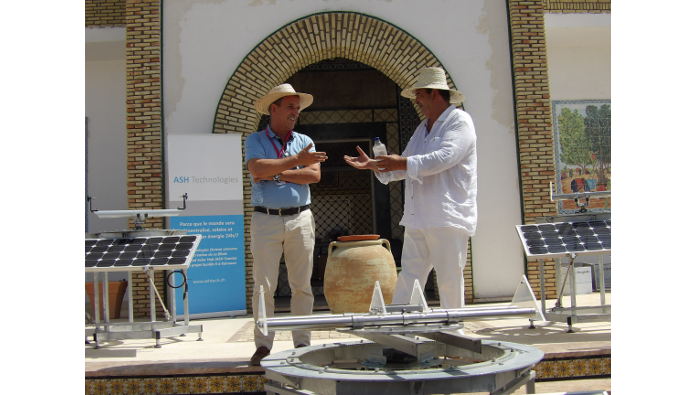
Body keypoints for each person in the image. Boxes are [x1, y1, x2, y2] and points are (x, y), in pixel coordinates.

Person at [344, 67, 477, 310]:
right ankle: (401, 333)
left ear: (435, 94)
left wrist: (399, 162)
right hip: (418, 217)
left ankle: (455, 335)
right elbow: (404, 165)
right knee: (409, 277)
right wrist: (375, 165)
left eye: (419, 95)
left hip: (447, 217)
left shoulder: (460, 122)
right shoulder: (422, 128)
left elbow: (443, 158)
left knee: (449, 280)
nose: (416, 101)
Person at [245, 83, 328, 366]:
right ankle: (263, 346)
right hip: (265, 219)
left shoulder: (305, 139)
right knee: (263, 286)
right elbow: (257, 169)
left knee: (302, 285)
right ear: (274, 109)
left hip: (300, 219)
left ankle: (302, 345)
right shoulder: (254, 139)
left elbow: (313, 176)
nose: (296, 111)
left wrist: (278, 172)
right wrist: (295, 163)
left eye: (297, 107)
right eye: (290, 106)